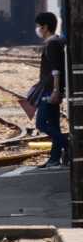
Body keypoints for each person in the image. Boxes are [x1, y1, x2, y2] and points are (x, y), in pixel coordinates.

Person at [34, 12, 71, 169]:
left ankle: (69, 146)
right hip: (50, 89)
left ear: (45, 27)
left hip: (50, 90)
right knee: (54, 125)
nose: (37, 30)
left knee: (41, 123)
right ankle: (54, 158)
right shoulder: (53, 43)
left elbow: (56, 69)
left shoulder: (53, 44)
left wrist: (56, 90)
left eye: (38, 27)